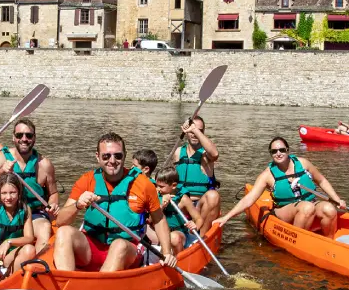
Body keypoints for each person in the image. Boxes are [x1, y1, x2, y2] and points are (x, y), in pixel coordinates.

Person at [53, 132, 177, 272]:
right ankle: (67, 282)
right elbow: (60, 222)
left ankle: (99, 288)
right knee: (64, 232)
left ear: (124, 155)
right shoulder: (87, 180)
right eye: (106, 156)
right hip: (92, 248)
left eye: (118, 156)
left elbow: (159, 220)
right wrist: (77, 205)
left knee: (119, 245)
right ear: (97, 156)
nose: (112, 161)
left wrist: (166, 252)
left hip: (127, 250)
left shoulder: (143, 184)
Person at [217, 137, 346, 237]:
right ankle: (299, 241)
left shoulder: (303, 163)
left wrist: (337, 200)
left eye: (282, 150)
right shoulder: (267, 175)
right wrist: (226, 217)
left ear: (288, 150)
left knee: (329, 209)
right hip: (284, 210)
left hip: (309, 204)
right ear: (271, 154)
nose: (278, 153)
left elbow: (321, 180)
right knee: (307, 207)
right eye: (274, 151)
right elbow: (249, 199)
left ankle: (328, 241)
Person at [0, 118, 58, 251]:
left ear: (34, 138)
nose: (24, 139)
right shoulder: (1, 158)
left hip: (33, 215)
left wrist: (53, 205)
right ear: (13, 137)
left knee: (45, 227)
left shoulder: (44, 164)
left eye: (29, 135)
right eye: (19, 135)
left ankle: (37, 266)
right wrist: (0, 172)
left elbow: (53, 193)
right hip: (4, 212)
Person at [0, 171, 37, 275]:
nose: (8, 197)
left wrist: (8, 242)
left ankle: (12, 279)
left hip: (11, 253)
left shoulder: (25, 209)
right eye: (4, 193)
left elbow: (29, 238)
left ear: (19, 192)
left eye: (12, 192)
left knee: (30, 249)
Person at [171, 116, 222, 229]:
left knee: (213, 196)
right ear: (186, 132)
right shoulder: (178, 152)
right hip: (181, 202)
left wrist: (194, 129)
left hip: (200, 204)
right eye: (192, 131)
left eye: (200, 130)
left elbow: (215, 154)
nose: (194, 134)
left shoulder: (206, 153)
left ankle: (201, 237)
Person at [148, 168, 192, 252]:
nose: (157, 189)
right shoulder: (156, 196)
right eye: (156, 186)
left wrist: (194, 225)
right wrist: (162, 206)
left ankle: (178, 259)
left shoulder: (183, 199)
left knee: (173, 237)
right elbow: (150, 220)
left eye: (161, 187)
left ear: (174, 185)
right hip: (159, 234)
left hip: (178, 233)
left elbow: (198, 219)